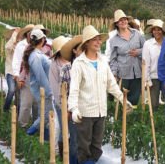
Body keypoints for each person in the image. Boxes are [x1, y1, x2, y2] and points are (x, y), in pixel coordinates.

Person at [68, 25, 133, 163]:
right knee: (84, 147)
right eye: (95, 40)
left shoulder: (103, 61)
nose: (98, 42)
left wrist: (123, 99)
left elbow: (111, 84)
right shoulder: (79, 63)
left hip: (101, 111)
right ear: (87, 43)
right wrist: (74, 109)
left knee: (96, 147)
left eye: (99, 39)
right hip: (85, 112)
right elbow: (74, 89)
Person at [23, 28, 54, 138]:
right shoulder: (35, 56)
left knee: (46, 114)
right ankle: (28, 134)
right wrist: (49, 91)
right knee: (45, 115)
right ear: (42, 40)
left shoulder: (37, 53)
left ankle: (45, 137)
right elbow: (41, 76)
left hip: (43, 88)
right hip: (42, 89)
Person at [110, 9, 146, 106]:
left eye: (124, 19)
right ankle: (122, 118)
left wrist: (138, 52)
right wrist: (114, 74)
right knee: (123, 99)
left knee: (134, 98)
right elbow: (113, 59)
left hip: (137, 72)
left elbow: (146, 49)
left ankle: (131, 119)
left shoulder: (137, 34)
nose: (123, 22)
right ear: (117, 24)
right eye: (120, 20)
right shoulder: (114, 40)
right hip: (123, 74)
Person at [59, 35, 83, 164]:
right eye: (81, 48)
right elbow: (63, 93)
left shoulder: (90, 66)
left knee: (86, 143)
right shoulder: (67, 68)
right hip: (73, 110)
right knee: (74, 141)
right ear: (74, 51)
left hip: (89, 109)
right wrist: (67, 110)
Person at [48, 35, 70, 157]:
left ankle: (69, 152)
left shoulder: (73, 60)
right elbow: (55, 87)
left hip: (73, 102)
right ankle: (62, 153)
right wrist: (63, 105)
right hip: (60, 102)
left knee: (72, 129)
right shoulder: (54, 65)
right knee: (63, 128)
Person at [142, 19, 165, 110]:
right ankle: (153, 121)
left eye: (159, 29)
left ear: (163, 31)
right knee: (154, 103)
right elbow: (146, 62)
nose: (157, 32)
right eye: (154, 29)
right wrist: (147, 79)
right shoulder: (148, 44)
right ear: (152, 31)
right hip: (153, 76)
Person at [3, 27, 20, 112]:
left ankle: (17, 112)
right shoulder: (9, 48)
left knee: (18, 93)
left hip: (18, 74)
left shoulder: (20, 48)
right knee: (12, 90)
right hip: (10, 73)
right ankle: (5, 109)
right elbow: (8, 47)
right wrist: (15, 34)